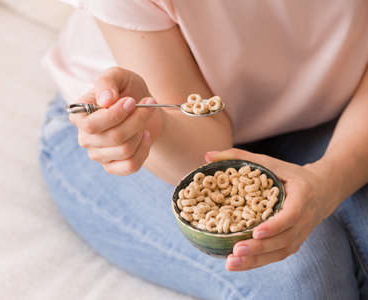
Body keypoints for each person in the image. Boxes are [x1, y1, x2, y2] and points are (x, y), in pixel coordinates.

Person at [39, 1, 368, 299]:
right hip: (123, 133)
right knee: (305, 270)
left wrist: (330, 179)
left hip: (322, 106)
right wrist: (154, 127)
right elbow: (203, 150)